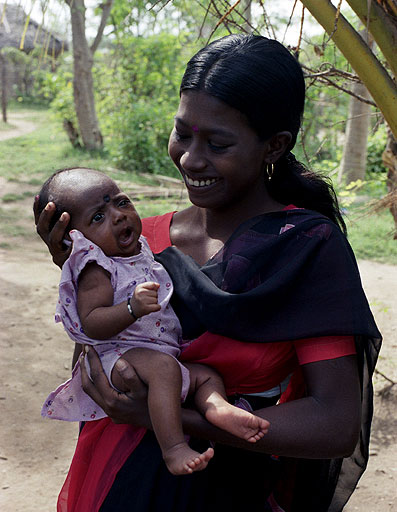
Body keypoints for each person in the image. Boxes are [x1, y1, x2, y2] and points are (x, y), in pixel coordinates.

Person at [35, 34, 381, 512]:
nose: (190, 157)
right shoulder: (135, 240)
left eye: (217, 144)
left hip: (223, 511)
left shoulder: (306, 250)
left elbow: (335, 423)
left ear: (274, 145)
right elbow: (100, 368)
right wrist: (79, 273)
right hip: (114, 491)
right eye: (182, 133)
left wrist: (172, 423)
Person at [38, 167, 269, 475]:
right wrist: (131, 308)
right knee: (165, 370)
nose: (118, 216)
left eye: (120, 202)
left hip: (153, 352)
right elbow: (91, 322)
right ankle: (173, 448)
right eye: (98, 217)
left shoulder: (139, 249)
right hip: (119, 355)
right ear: (75, 239)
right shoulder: (97, 268)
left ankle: (219, 408)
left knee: (204, 375)